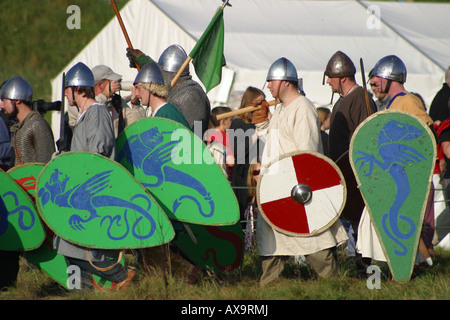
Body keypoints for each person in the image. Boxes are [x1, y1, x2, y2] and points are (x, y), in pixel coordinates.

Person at [254, 57, 348, 286]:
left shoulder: (303, 108)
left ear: (285, 82)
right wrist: (261, 122)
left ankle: (335, 286)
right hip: (277, 189)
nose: (267, 86)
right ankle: (269, 288)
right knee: (273, 241)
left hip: (298, 190)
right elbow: (278, 142)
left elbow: (306, 156)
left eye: (271, 81)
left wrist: (289, 182)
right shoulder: (282, 109)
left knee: (314, 241)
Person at [55, 62, 135, 290]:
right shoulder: (84, 116)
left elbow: (97, 155)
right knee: (69, 249)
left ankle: (122, 275)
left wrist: (76, 167)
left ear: (78, 89)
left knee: (80, 249)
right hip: (81, 191)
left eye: (67, 89)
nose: (65, 94)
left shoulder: (97, 113)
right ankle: (82, 293)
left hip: (92, 192)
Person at [357, 55, 435, 266]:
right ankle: (399, 266)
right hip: (389, 176)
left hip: (404, 175)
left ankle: (408, 268)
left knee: (400, 226)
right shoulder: (390, 104)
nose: (372, 84)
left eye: (376, 79)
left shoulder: (407, 101)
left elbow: (425, 134)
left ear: (389, 78)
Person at [127, 44, 211, 138]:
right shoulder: (175, 89)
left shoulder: (192, 95)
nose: (160, 77)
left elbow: (193, 135)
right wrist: (146, 66)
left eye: (163, 73)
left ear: (169, 74)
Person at [324, 51, 377, 163]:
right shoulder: (343, 99)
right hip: (341, 167)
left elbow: (368, 138)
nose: (328, 81)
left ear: (343, 78)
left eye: (331, 77)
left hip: (354, 168)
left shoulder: (360, 99)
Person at [229, 87, 266, 223]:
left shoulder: (259, 123)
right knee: (244, 215)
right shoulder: (237, 123)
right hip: (243, 174)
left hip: (256, 173)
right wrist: (254, 135)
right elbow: (238, 152)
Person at [0, 77, 55, 165]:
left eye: (4, 101)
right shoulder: (18, 129)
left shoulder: (37, 125)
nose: (1, 106)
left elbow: (46, 166)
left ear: (17, 100)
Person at [92, 65, 145, 138]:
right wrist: (104, 95)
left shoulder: (115, 101)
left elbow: (136, 125)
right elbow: (94, 111)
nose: (116, 83)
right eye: (111, 81)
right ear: (100, 85)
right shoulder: (88, 100)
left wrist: (135, 104)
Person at [132, 61, 190, 128]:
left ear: (149, 86)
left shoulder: (169, 113)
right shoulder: (154, 113)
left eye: (138, 88)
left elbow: (186, 137)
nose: (136, 94)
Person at [205, 106, 235, 178]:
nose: (231, 122)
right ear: (223, 121)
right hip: (222, 173)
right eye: (230, 120)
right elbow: (231, 162)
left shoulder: (209, 135)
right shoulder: (225, 137)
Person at [243, 159, 261, 252]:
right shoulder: (250, 195)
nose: (259, 174)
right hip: (252, 245)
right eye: (256, 172)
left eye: (262, 171)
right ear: (252, 175)